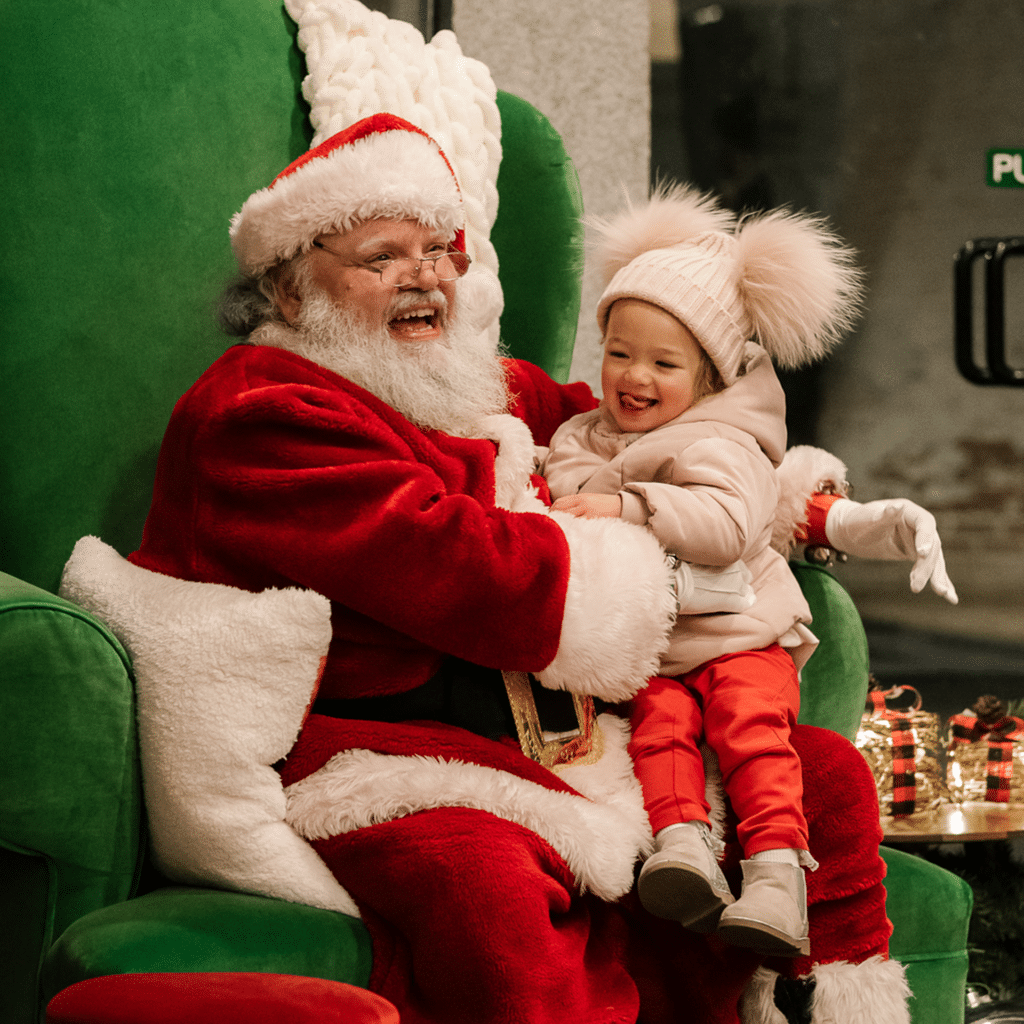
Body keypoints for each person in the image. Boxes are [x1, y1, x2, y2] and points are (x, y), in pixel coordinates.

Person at [128, 113, 949, 1024]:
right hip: (373, 752)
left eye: (440, 251)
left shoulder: (462, 381)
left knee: (823, 772)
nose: (427, 278)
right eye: (383, 257)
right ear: (290, 289)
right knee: (483, 884)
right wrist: (674, 547)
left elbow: (659, 430)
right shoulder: (261, 412)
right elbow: (473, 576)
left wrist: (794, 505)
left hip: (561, 739)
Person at [542, 185, 860, 958]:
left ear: (710, 376)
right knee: (661, 731)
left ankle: (778, 878)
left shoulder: (722, 441)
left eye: (663, 362)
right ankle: (682, 850)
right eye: (619, 353)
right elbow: (560, 486)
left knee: (751, 734)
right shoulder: (592, 434)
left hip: (744, 634)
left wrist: (629, 508)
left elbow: (722, 528)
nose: (634, 376)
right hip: (660, 647)